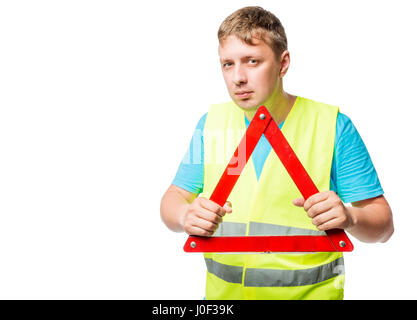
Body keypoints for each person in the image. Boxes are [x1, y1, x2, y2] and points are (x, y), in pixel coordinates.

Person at [160, 6, 394, 300]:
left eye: (252, 61)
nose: (238, 77)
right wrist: (185, 215)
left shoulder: (333, 126)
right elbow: (172, 200)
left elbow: (383, 227)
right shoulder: (211, 126)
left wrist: (350, 217)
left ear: (283, 63)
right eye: (227, 64)